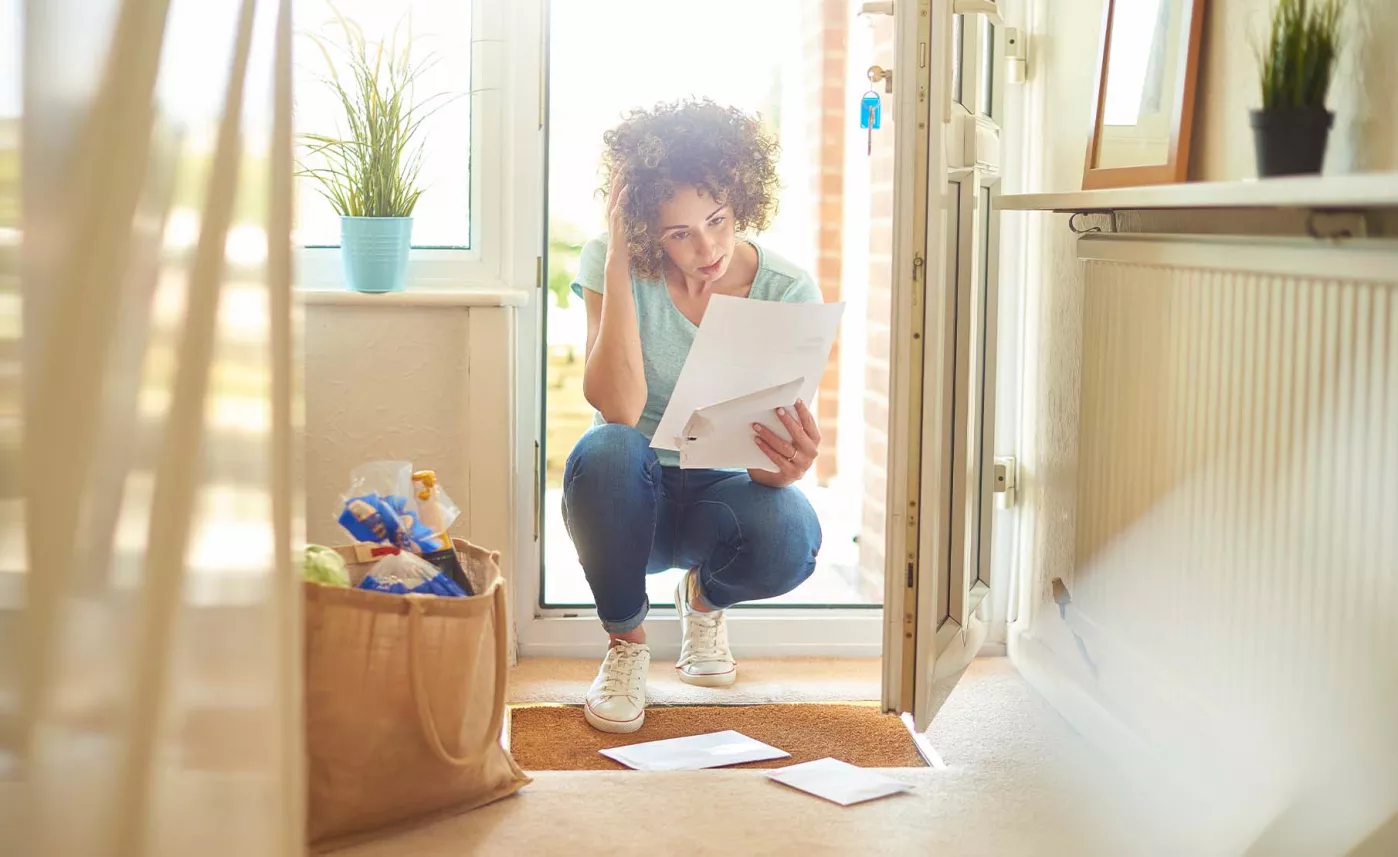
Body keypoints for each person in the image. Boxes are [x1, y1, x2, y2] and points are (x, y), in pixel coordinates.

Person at [563, 99, 825, 733]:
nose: (707, 248)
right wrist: (621, 261)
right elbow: (619, 409)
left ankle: (702, 603)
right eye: (678, 232)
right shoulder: (611, 259)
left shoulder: (786, 290)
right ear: (649, 229)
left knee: (793, 534)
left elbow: (764, 467)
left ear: (740, 199)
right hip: (630, 496)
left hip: (719, 494)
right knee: (606, 449)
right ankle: (626, 647)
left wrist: (786, 466)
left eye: (717, 220)